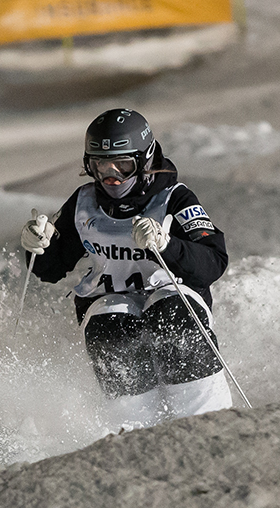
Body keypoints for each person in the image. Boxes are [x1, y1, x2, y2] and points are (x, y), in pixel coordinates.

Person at [21, 108, 234, 424]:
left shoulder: (173, 200)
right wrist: (37, 246)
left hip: (172, 293)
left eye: (123, 166)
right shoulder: (83, 205)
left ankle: (208, 419)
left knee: (171, 315)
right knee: (111, 330)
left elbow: (213, 261)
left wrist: (168, 245)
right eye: (100, 166)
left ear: (145, 160)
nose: (111, 177)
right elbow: (50, 270)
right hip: (109, 299)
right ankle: (134, 429)